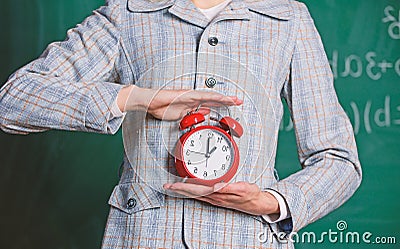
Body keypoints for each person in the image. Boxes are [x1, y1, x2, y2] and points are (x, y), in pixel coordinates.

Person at [0, 0, 362, 248]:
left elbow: (338, 160)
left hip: (248, 238)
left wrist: (272, 202)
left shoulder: (287, 19)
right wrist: (133, 98)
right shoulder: (128, 14)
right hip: (143, 237)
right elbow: (13, 100)